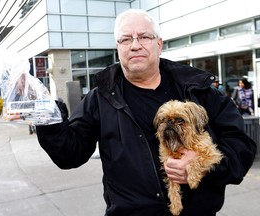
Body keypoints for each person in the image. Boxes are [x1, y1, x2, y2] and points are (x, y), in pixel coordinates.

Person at [36, 9, 256, 216]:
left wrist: (206, 167)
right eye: (125, 39)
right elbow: (69, 154)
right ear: (118, 47)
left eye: (144, 37)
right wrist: (47, 116)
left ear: (159, 44)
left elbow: (242, 146)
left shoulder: (197, 89)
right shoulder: (100, 98)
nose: (135, 45)